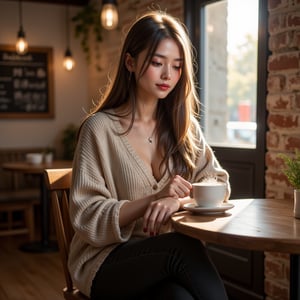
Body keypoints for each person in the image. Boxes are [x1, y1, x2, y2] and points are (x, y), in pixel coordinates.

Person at [69, 10, 231, 300]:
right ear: (130, 62)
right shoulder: (99, 129)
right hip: (104, 263)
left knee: (178, 297)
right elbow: (86, 214)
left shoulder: (183, 126)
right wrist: (152, 200)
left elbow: (216, 181)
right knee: (182, 247)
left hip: (162, 263)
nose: (168, 75)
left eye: (177, 66)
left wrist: (176, 199)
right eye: (157, 63)